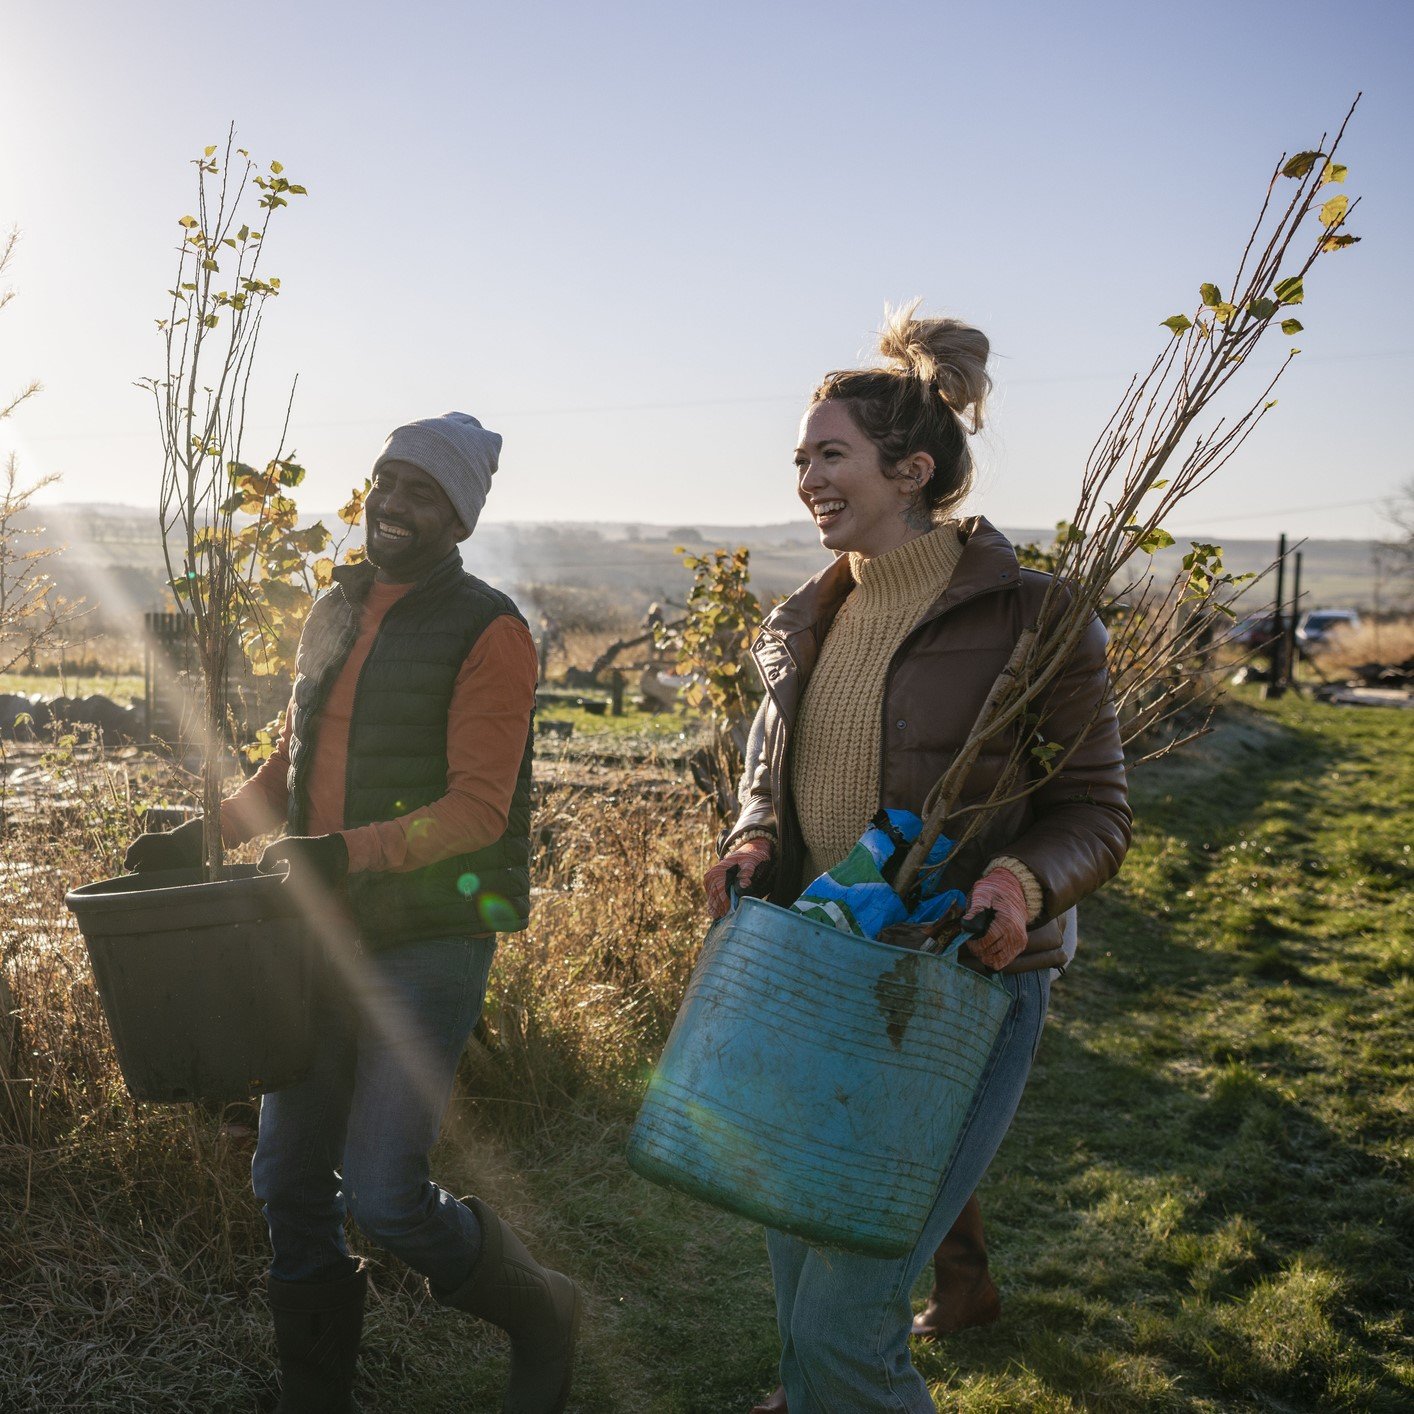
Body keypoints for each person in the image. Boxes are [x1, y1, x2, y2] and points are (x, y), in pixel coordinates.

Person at [703, 307, 1131, 1413]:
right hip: (814, 978)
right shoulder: (806, 621)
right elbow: (769, 777)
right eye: (800, 457)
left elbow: (1094, 808)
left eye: (829, 454)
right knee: (800, 1299)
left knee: (846, 1328)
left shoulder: (1034, 618)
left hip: (953, 990)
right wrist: (751, 839)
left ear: (912, 469)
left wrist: (1014, 882)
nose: (806, 477)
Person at [124, 412, 579, 1414]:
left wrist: (342, 853)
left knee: (385, 1193)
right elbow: (291, 771)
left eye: (424, 493)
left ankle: (542, 1310)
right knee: (286, 1175)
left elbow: (477, 810)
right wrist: (207, 837)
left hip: (429, 942)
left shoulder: (488, 629)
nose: (396, 505)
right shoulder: (331, 611)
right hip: (317, 937)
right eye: (387, 480)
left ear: (459, 517)